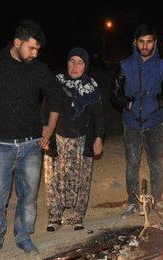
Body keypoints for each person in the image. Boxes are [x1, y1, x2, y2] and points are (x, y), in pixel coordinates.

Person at [0, 20, 62, 253]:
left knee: (28, 196)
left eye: (38, 49)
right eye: (31, 48)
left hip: (31, 145)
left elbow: (57, 96)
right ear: (17, 42)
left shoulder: (38, 68)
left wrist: (49, 128)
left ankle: (24, 235)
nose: (35, 53)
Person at [110, 24, 163, 218]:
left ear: (155, 43)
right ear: (135, 43)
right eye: (141, 42)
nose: (145, 46)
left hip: (155, 122)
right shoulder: (125, 65)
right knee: (132, 164)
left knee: (156, 163)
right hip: (131, 123)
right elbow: (114, 92)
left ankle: (157, 199)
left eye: (149, 42)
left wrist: (159, 102)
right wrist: (126, 104)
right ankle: (132, 202)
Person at [44, 47, 105, 232]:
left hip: (82, 140)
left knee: (81, 179)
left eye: (80, 63)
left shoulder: (91, 87)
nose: (75, 66)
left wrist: (99, 137)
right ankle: (55, 217)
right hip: (58, 138)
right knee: (54, 179)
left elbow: (99, 116)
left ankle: (77, 216)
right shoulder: (56, 83)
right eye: (72, 61)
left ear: (85, 66)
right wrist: (45, 135)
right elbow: (44, 110)